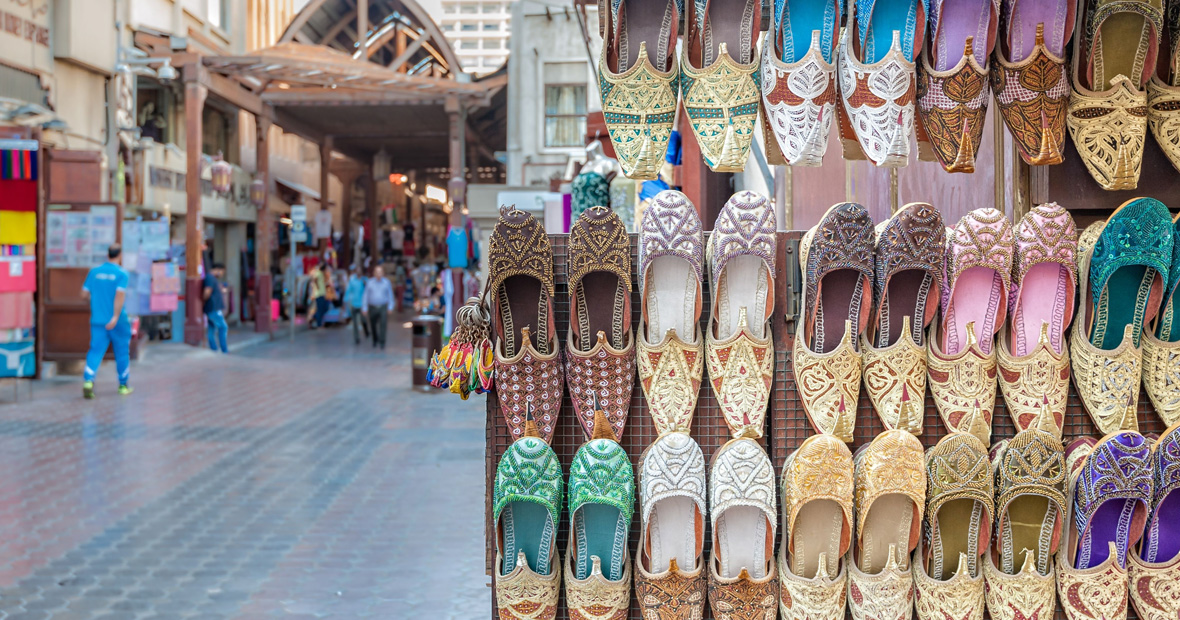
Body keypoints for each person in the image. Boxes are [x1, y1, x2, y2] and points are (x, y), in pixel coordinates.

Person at [81, 244, 132, 399]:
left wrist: (97, 300)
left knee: (95, 350)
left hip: (97, 319)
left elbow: (84, 294)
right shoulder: (122, 274)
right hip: (117, 321)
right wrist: (115, 316)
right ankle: (123, 385)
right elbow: (120, 296)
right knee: (122, 352)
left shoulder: (94, 272)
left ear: (107, 254)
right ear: (120, 255)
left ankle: (88, 381)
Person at [363, 265, 395, 350]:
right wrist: (364, 307)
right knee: (373, 324)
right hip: (372, 306)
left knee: (383, 324)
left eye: (380, 272)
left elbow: (390, 295)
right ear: (374, 273)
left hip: (383, 306)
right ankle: (375, 339)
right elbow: (366, 295)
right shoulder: (370, 282)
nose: (378, 274)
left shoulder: (386, 282)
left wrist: (390, 307)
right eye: (377, 272)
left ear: (383, 273)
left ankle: (382, 341)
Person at [203, 262, 229, 353]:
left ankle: (214, 348)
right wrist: (204, 300)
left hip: (212, 307)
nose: (222, 274)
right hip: (213, 308)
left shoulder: (211, 278)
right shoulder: (210, 278)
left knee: (212, 328)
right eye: (222, 272)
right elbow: (207, 292)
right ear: (218, 270)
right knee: (223, 327)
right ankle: (224, 349)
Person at [344, 266, 369, 345]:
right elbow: (348, 291)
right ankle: (356, 338)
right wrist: (345, 300)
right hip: (354, 304)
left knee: (363, 320)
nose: (358, 272)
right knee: (355, 322)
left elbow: (369, 290)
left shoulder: (365, 280)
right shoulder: (352, 281)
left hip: (362, 304)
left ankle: (366, 331)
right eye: (357, 270)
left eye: (360, 270)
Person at [308, 262, 328, 328]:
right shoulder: (318, 273)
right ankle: (318, 323)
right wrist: (318, 287)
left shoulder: (321, 274)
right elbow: (315, 280)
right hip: (319, 294)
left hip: (321, 293)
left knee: (323, 308)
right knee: (320, 309)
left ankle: (313, 318)